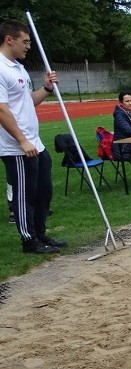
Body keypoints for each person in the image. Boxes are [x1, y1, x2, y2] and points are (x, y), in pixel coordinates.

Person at [0, 19, 65, 254]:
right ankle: (29, 240)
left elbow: (29, 101)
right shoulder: (1, 68)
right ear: (10, 39)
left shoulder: (18, 67)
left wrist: (46, 88)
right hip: (17, 146)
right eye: (25, 42)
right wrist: (21, 139)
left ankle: (40, 233)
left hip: (34, 142)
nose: (28, 46)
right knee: (24, 194)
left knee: (44, 190)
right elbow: (2, 110)